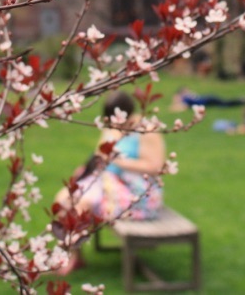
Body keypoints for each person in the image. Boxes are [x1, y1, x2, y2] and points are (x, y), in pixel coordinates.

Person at [53, 92, 166, 273]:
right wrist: (85, 168)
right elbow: (99, 154)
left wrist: (117, 160)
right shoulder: (112, 127)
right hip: (104, 181)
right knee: (63, 200)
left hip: (133, 190)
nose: (115, 124)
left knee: (82, 203)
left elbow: (155, 166)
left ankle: (69, 256)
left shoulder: (146, 130)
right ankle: (75, 254)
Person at [170, 87, 245, 112]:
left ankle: (241, 100)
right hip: (209, 98)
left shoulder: (186, 98)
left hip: (208, 100)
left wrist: (173, 106)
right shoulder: (187, 97)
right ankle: (240, 100)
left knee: (224, 104)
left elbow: (183, 107)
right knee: (224, 103)